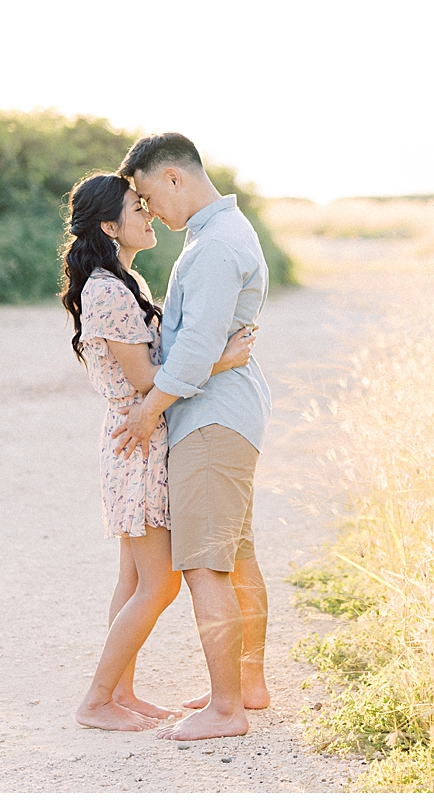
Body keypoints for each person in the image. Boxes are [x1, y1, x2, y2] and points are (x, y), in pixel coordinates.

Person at [60, 171, 256, 732]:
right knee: (161, 581)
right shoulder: (106, 289)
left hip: (143, 436)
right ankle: (96, 701)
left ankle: (120, 692)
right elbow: (145, 377)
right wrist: (221, 358)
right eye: (137, 208)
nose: (148, 216)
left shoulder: (126, 281)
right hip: (137, 439)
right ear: (109, 225)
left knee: (132, 579)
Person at [110, 133, 273, 742]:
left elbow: (197, 347)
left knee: (206, 565)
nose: (150, 211)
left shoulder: (211, 248)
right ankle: (247, 685)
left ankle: (227, 710)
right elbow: (210, 346)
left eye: (150, 195)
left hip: (209, 421)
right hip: (229, 413)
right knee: (237, 554)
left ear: (174, 177)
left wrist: (150, 409)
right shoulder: (225, 233)